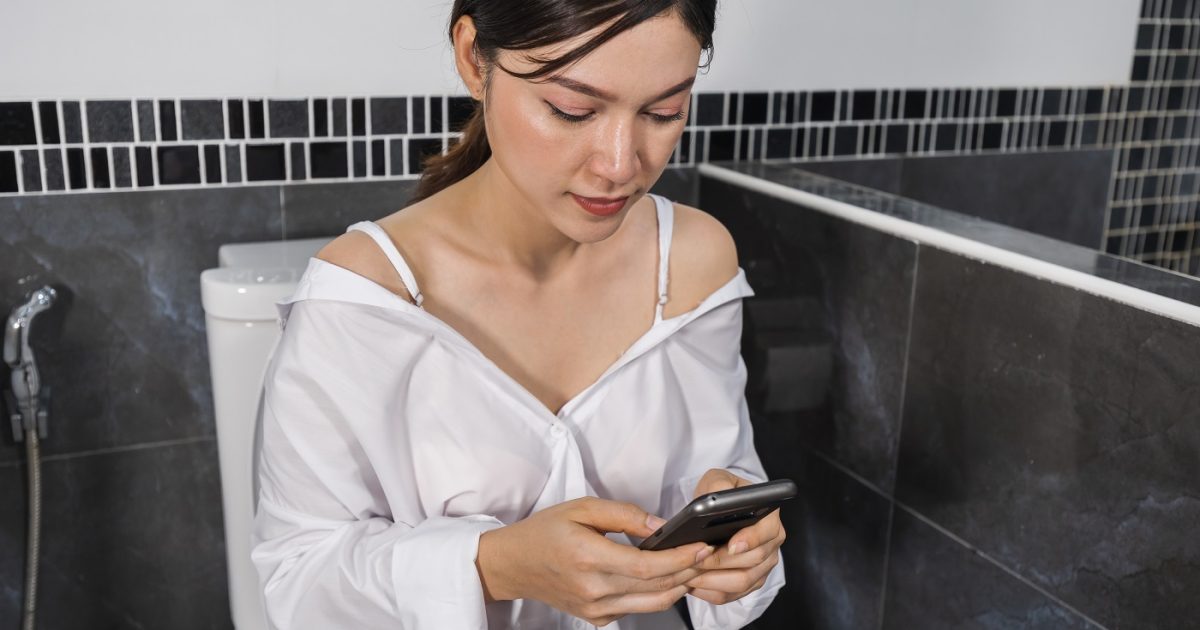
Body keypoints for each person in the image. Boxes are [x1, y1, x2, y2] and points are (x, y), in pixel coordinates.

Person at [250, 1, 786, 628]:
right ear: (474, 59)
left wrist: (739, 543)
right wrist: (494, 565)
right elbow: (297, 581)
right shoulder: (361, 303)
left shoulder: (693, 262)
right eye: (572, 109)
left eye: (663, 112)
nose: (620, 164)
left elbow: (719, 479)